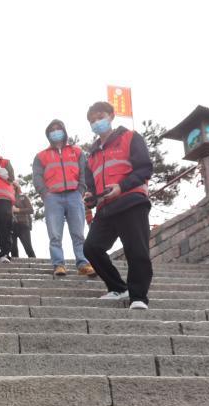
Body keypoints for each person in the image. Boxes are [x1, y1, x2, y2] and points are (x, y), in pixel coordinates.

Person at [82, 101, 155, 310]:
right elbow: (92, 184)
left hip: (131, 200)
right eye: (93, 120)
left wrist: (122, 186)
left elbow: (145, 169)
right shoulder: (92, 155)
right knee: (91, 247)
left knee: (136, 249)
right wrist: (91, 196)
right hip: (105, 207)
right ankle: (117, 287)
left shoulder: (130, 137)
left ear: (111, 116)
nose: (97, 122)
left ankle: (138, 296)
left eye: (100, 117)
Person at [32, 119, 95, 276]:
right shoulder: (41, 156)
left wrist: (81, 190)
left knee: (78, 233)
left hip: (74, 195)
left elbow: (84, 172)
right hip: (53, 198)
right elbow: (37, 176)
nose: (55, 132)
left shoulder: (77, 151)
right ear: (48, 134)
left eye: (58, 128)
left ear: (64, 131)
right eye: (52, 130)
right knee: (55, 234)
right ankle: (58, 264)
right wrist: (44, 193)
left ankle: (83, 263)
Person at [11, 187, 36, 258]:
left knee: (28, 248)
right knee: (13, 249)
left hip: (23, 225)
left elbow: (31, 210)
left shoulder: (23, 197)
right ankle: (14, 265)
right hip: (10, 225)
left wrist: (17, 210)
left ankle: (34, 263)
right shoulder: (6, 198)